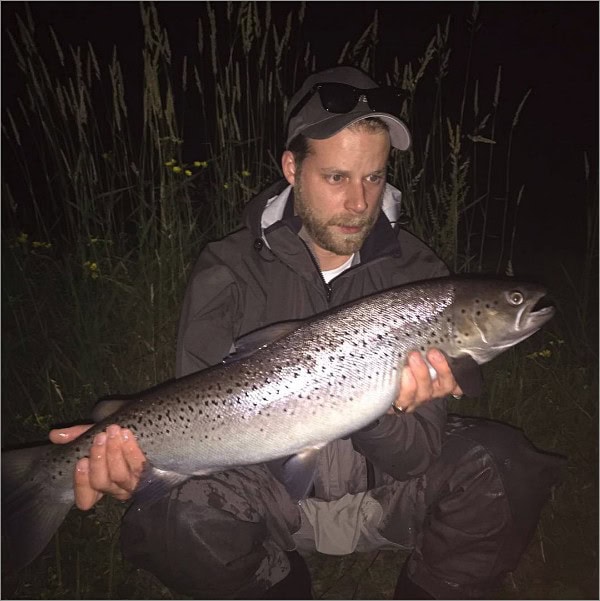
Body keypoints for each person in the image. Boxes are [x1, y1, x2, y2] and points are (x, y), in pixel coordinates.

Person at [51, 66, 564, 599]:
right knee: (172, 523)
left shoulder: (420, 274)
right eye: (337, 178)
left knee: (504, 463)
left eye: (375, 177)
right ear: (292, 168)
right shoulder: (226, 268)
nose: (360, 203)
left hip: (385, 493)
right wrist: (139, 460)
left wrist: (384, 409)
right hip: (267, 495)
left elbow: (415, 458)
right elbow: (200, 421)